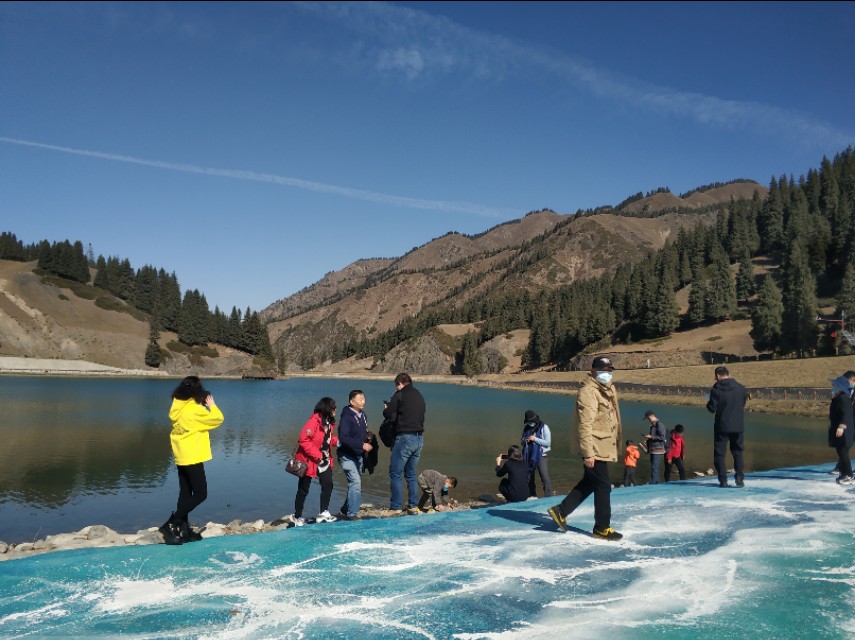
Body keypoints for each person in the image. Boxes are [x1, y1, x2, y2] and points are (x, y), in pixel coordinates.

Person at [547, 355, 623, 541]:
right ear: (593, 371)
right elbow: (585, 425)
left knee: (590, 481)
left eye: (609, 371)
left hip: (604, 445)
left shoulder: (609, 389)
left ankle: (560, 511)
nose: (607, 374)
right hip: (594, 447)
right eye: (603, 371)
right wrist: (588, 453)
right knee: (603, 485)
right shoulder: (588, 392)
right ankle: (602, 528)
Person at [159, 376, 224, 545]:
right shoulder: (195, 410)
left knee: (185, 493)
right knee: (201, 494)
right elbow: (218, 419)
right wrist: (211, 405)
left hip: (181, 455)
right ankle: (172, 523)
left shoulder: (178, 406)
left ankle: (183, 531)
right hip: (193, 455)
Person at [292, 397, 339, 526]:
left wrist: (337, 442)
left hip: (324, 460)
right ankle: (297, 517)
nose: (336, 409)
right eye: (333, 407)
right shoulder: (314, 421)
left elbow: (326, 439)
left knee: (328, 484)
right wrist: (318, 455)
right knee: (303, 489)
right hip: (310, 460)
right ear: (327, 408)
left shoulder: (329, 422)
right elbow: (303, 439)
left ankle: (323, 513)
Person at [383, 373, 426, 515]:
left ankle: (395, 506)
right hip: (419, 438)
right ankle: (413, 505)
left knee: (395, 472)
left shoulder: (399, 394)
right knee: (411, 473)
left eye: (397, 385)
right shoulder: (419, 395)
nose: (396, 388)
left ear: (400, 383)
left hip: (405, 438)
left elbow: (388, 413)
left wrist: (386, 408)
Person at [706, 366, 749, 488]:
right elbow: (742, 403)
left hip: (722, 426)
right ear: (728, 374)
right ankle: (739, 479)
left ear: (717, 376)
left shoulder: (716, 390)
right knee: (738, 453)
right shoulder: (741, 388)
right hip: (738, 425)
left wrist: (708, 403)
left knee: (720, 454)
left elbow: (712, 408)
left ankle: (723, 480)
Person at [337, 389, 373, 520]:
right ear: (352, 402)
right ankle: (352, 514)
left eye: (364, 399)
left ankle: (345, 509)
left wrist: (367, 437)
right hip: (346, 455)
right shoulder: (346, 417)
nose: (363, 401)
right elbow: (343, 437)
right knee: (355, 482)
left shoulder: (363, 415)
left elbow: (361, 432)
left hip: (358, 455)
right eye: (360, 399)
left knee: (354, 484)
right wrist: (362, 445)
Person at [828, 375, 854, 485]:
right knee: (841, 452)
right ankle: (844, 473)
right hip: (838, 429)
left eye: (835, 385)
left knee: (843, 452)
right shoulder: (838, 398)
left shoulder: (843, 398)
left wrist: (841, 426)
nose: (833, 387)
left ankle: (848, 475)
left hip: (844, 431)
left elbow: (846, 414)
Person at [522, 410, 553, 497]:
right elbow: (522, 442)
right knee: (529, 478)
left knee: (544, 477)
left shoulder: (544, 427)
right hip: (529, 456)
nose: (529, 424)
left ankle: (548, 496)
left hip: (541, 456)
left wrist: (534, 439)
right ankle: (532, 496)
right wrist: (525, 440)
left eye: (530, 422)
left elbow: (548, 443)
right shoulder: (526, 428)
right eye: (528, 422)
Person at [643, 410, 668, 484]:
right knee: (654, 468)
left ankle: (654, 484)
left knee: (654, 468)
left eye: (648, 418)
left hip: (657, 450)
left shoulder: (659, 424)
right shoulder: (653, 425)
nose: (648, 420)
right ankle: (656, 483)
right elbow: (654, 437)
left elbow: (662, 437)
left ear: (651, 416)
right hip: (653, 449)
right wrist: (648, 441)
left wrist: (651, 437)